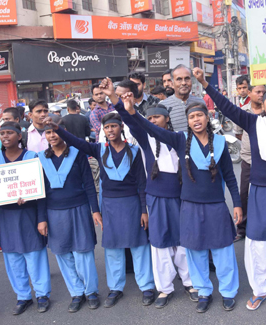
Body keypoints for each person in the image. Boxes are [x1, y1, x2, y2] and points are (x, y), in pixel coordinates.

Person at [194, 68, 266, 310]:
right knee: (259, 241)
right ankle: (259, 290)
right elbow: (227, 107)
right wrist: (206, 83)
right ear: (263, 103)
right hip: (261, 190)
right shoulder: (252, 122)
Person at [123, 82, 242, 313]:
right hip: (190, 205)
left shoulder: (219, 143)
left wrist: (236, 203)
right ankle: (203, 291)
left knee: (223, 250)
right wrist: (129, 111)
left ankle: (228, 291)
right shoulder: (179, 140)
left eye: (200, 115)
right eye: (192, 117)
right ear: (187, 121)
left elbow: (229, 176)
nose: (196, 120)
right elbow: (151, 129)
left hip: (216, 205)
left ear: (207, 118)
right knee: (195, 251)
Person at [46, 109, 155, 309]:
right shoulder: (99, 150)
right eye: (106, 127)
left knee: (139, 246)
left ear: (121, 127)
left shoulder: (133, 151)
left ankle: (147, 286)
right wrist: (58, 130)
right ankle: (115, 288)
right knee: (113, 248)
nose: (110, 130)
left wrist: (143, 210)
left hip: (131, 203)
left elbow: (141, 182)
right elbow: (78, 142)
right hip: (110, 205)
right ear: (103, 131)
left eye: (114, 126)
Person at [114, 98, 195, 308]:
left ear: (167, 119)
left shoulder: (179, 138)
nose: (152, 121)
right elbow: (131, 122)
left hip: (180, 197)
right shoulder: (145, 138)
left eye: (157, 117)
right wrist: (119, 102)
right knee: (160, 243)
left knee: (183, 242)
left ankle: (189, 282)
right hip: (157, 198)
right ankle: (165, 288)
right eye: (149, 118)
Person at [0, 122, 51, 314]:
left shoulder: (31, 157)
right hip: (7, 215)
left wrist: (42, 218)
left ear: (19, 136)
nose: (5, 136)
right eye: (2, 133)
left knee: (34, 254)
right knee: (12, 257)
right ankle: (23, 296)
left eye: (9, 133)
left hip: (28, 213)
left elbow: (42, 190)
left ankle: (42, 294)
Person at [37, 116, 102, 312]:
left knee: (83, 251)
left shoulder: (77, 154)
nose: (52, 135)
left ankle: (91, 291)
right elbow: (39, 192)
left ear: (63, 132)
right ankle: (76, 293)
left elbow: (89, 185)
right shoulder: (40, 159)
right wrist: (41, 218)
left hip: (79, 208)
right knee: (63, 253)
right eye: (48, 132)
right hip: (54, 212)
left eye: (55, 131)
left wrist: (95, 210)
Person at [232, 83, 265, 242]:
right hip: (247, 159)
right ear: (250, 94)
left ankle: (265, 225)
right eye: (258, 92)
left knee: (265, 194)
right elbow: (238, 134)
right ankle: (241, 228)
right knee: (243, 193)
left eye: (263, 92)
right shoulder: (243, 112)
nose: (261, 95)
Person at [159, 65, 206, 132]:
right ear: (172, 83)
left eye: (187, 79)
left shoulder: (200, 102)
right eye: (179, 79)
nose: (184, 83)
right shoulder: (163, 106)